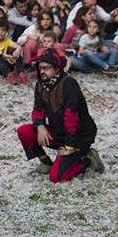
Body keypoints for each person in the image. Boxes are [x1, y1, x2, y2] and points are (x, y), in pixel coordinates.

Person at [15, 50, 102, 182]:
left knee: (57, 177)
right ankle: (46, 163)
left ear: (56, 68)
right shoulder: (41, 85)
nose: (42, 71)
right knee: (24, 131)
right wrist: (40, 126)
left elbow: (71, 117)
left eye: (46, 68)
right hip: (58, 132)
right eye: (40, 68)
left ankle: (87, 161)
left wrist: (70, 146)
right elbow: (37, 110)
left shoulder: (68, 84)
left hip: (78, 136)